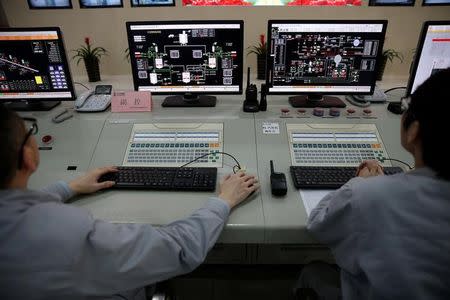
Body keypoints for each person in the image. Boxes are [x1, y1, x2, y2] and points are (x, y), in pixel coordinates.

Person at [0, 106, 260, 300]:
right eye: (29, 132)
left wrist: (68, 187)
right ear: (29, 157)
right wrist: (224, 200)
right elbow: (179, 249)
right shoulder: (65, 235)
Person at [296, 68, 450, 300]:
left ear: (413, 131)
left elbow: (318, 224)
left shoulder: (366, 194)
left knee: (314, 271)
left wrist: (361, 184)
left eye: (407, 107)